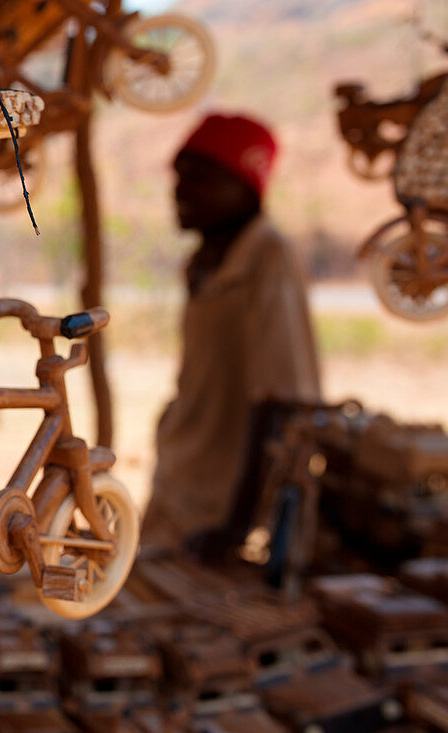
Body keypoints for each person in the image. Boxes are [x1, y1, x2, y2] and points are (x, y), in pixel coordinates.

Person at [142, 113, 321, 552]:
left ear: (245, 187)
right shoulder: (201, 263)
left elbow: (283, 399)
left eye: (201, 179)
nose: (181, 191)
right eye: (179, 177)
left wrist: (238, 527)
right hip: (178, 479)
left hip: (220, 505)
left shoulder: (268, 256)